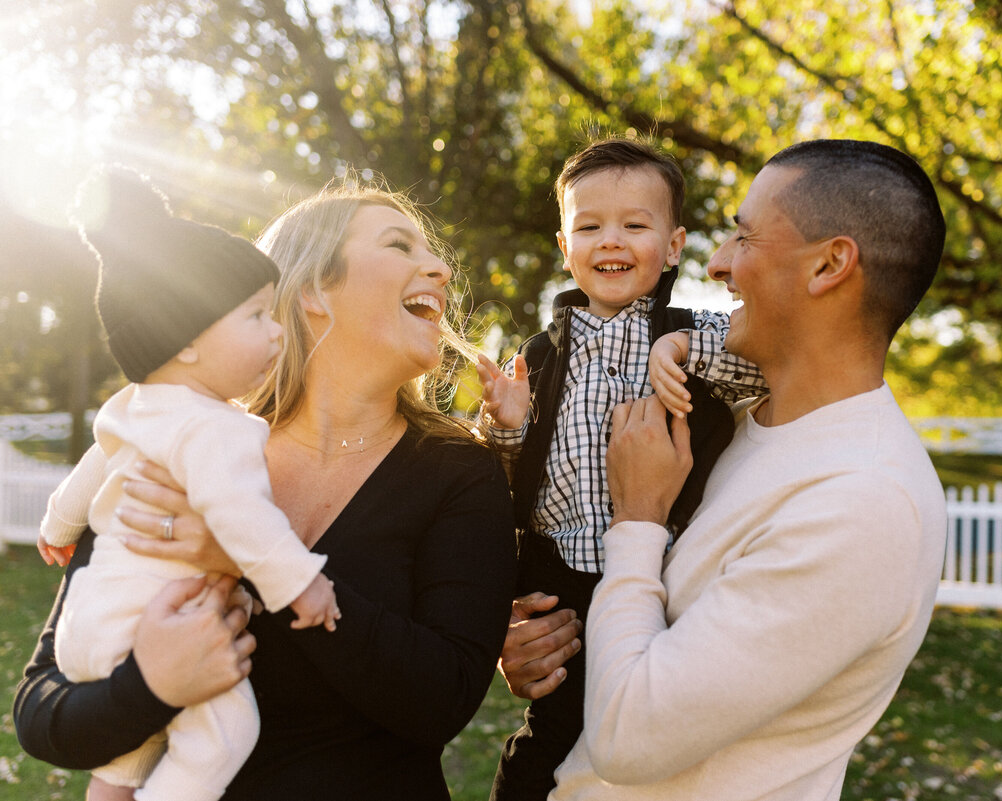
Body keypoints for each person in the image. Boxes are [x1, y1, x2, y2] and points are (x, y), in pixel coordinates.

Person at [14, 174, 518, 800]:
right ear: (311, 290)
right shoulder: (183, 443)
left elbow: (441, 701)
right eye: (399, 246)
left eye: (430, 250)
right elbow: (41, 714)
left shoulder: (458, 474)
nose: (440, 268)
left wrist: (241, 563)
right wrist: (147, 689)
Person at [506, 139, 950, 801]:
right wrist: (541, 641)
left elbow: (633, 736)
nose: (715, 264)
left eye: (743, 237)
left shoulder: (865, 503)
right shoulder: (733, 420)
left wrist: (637, 519)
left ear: (829, 264)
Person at [34, 166, 340, 801]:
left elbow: (88, 475)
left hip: (93, 622)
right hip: (153, 623)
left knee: (128, 755)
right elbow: (243, 517)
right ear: (189, 342)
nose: (278, 330)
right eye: (257, 315)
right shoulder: (215, 429)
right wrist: (299, 582)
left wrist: (57, 529)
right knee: (226, 736)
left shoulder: (133, 407)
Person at [476, 137, 767, 801]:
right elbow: (505, 476)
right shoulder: (541, 353)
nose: (612, 240)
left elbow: (763, 365)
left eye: (635, 225)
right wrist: (506, 424)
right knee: (555, 727)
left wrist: (686, 346)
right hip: (557, 575)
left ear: (673, 245)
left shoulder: (697, 332)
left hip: (659, 564)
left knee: (646, 720)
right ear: (563, 244)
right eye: (590, 225)